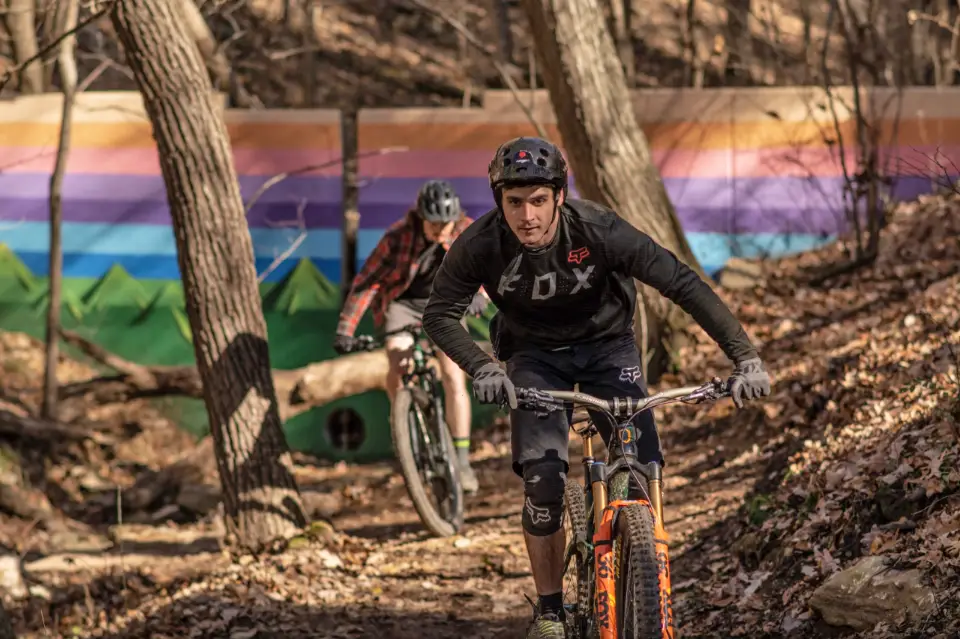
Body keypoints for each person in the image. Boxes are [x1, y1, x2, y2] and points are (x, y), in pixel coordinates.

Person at [422, 137, 771, 638]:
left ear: (559, 197)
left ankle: (646, 574)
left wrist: (744, 357)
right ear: (499, 200)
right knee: (542, 484)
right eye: (515, 201)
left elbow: (681, 283)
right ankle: (548, 612)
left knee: (640, 461)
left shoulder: (599, 229)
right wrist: (484, 368)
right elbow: (440, 314)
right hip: (533, 359)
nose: (527, 215)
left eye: (538, 200)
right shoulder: (480, 244)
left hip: (610, 348)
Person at [333, 179, 489, 493]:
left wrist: (480, 295)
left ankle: (460, 459)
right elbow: (367, 283)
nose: (441, 231)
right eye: (434, 225)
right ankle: (405, 419)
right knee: (398, 358)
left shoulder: (465, 231)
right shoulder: (397, 237)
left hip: (446, 306)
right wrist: (345, 329)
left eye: (446, 224)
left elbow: (485, 268)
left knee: (452, 373)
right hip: (402, 305)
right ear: (420, 218)